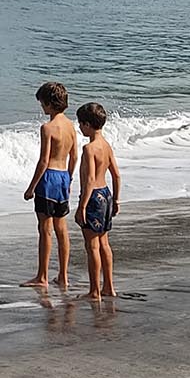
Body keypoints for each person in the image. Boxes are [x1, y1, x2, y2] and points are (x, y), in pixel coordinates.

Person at [20, 81, 77, 289]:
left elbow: (43, 161)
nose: (42, 107)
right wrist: (69, 179)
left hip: (48, 178)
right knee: (62, 229)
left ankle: (42, 277)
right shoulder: (71, 126)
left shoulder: (47, 128)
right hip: (63, 176)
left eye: (43, 103)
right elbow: (74, 157)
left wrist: (31, 187)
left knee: (45, 229)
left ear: (50, 103)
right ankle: (63, 275)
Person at [75, 102, 122, 301]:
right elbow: (117, 175)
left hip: (93, 197)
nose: (79, 127)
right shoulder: (106, 145)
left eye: (80, 123)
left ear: (87, 125)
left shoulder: (89, 148)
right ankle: (109, 287)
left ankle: (94, 291)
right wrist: (117, 200)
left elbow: (90, 180)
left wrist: (82, 206)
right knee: (104, 243)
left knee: (91, 245)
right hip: (107, 194)